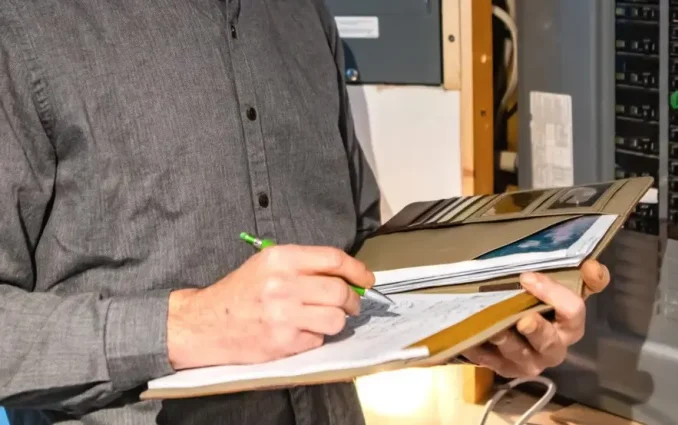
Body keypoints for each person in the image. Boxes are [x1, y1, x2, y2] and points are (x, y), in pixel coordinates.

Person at [0, 1, 611, 424]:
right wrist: (182, 326)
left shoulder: (300, 15)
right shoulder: (23, 24)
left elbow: (359, 257)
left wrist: (487, 318)